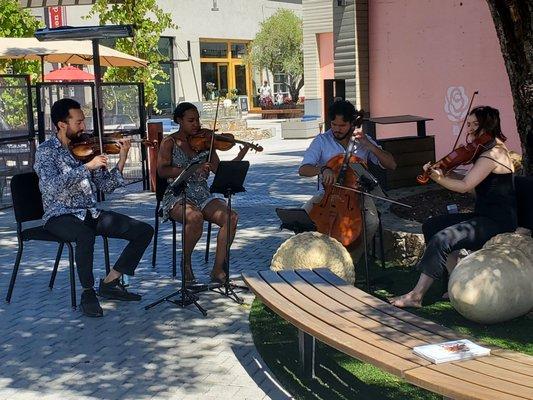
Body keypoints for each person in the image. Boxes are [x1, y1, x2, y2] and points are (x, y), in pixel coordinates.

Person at [34, 98, 154, 318]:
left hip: (90, 211)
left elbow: (106, 186)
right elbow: (50, 187)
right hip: (59, 214)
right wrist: (86, 168)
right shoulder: (46, 152)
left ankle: (111, 282)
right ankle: (88, 293)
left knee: (144, 231)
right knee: (85, 235)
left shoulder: (86, 148)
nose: (84, 127)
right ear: (62, 124)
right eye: (78, 122)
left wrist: (122, 159)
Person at [390, 105, 517, 308]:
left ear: (488, 126)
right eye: (468, 124)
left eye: (475, 125)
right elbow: (472, 181)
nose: (469, 130)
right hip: (483, 215)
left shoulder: (493, 154)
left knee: (443, 238)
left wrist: (438, 179)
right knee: (432, 225)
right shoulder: (485, 151)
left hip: (497, 221)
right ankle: (454, 282)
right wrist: (445, 172)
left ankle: (416, 295)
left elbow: (465, 187)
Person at [157, 102, 250, 284]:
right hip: (177, 194)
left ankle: (217, 269)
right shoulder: (169, 142)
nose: (196, 124)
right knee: (195, 217)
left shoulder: (207, 143)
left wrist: (240, 157)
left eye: (198, 120)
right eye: (191, 120)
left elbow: (218, 170)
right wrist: (191, 169)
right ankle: (186, 263)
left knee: (231, 217)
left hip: (202, 194)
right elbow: (162, 171)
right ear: (179, 120)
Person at [298, 99, 397, 262]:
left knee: (371, 221)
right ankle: (312, 260)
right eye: (333, 125)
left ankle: (350, 262)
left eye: (342, 126)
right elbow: (303, 170)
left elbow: (391, 164)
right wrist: (322, 169)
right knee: (302, 216)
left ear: (352, 123)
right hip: (327, 194)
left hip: (357, 196)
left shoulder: (364, 140)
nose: (336, 130)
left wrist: (370, 146)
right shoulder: (322, 141)